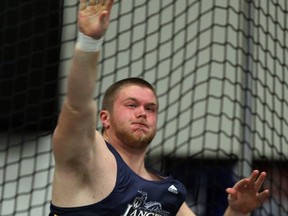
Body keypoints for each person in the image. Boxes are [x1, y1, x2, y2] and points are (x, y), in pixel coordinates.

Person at [49, 0, 270, 215]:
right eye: (131, 105)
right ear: (105, 118)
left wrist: (238, 211)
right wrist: (89, 41)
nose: (142, 112)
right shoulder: (87, 155)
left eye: (150, 108)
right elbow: (77, 107)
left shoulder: (167, 192)